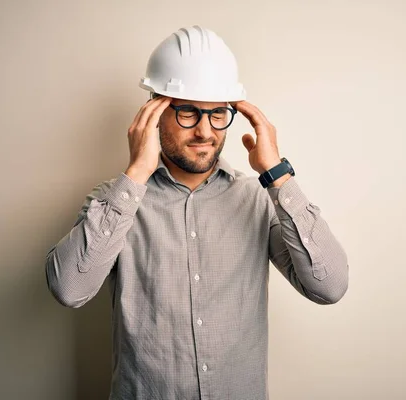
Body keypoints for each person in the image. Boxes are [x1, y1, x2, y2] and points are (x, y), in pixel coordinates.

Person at [45, 25, 349, 400]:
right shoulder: (114, 203)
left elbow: (330, 287)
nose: (205, 131)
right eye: (188, 112)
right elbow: (69, 290)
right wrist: (136, 172)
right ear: (154, 112)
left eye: (218, 113)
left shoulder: (258, 200)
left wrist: (278, 175)